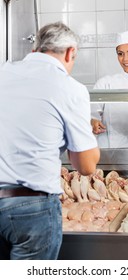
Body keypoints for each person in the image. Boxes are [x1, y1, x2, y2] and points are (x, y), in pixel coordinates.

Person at [0, 22, 100, 260]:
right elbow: (86, 166)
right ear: (69, 52)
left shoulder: (3, 72)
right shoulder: (69, 87)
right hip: (31, 209)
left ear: (36, 49)